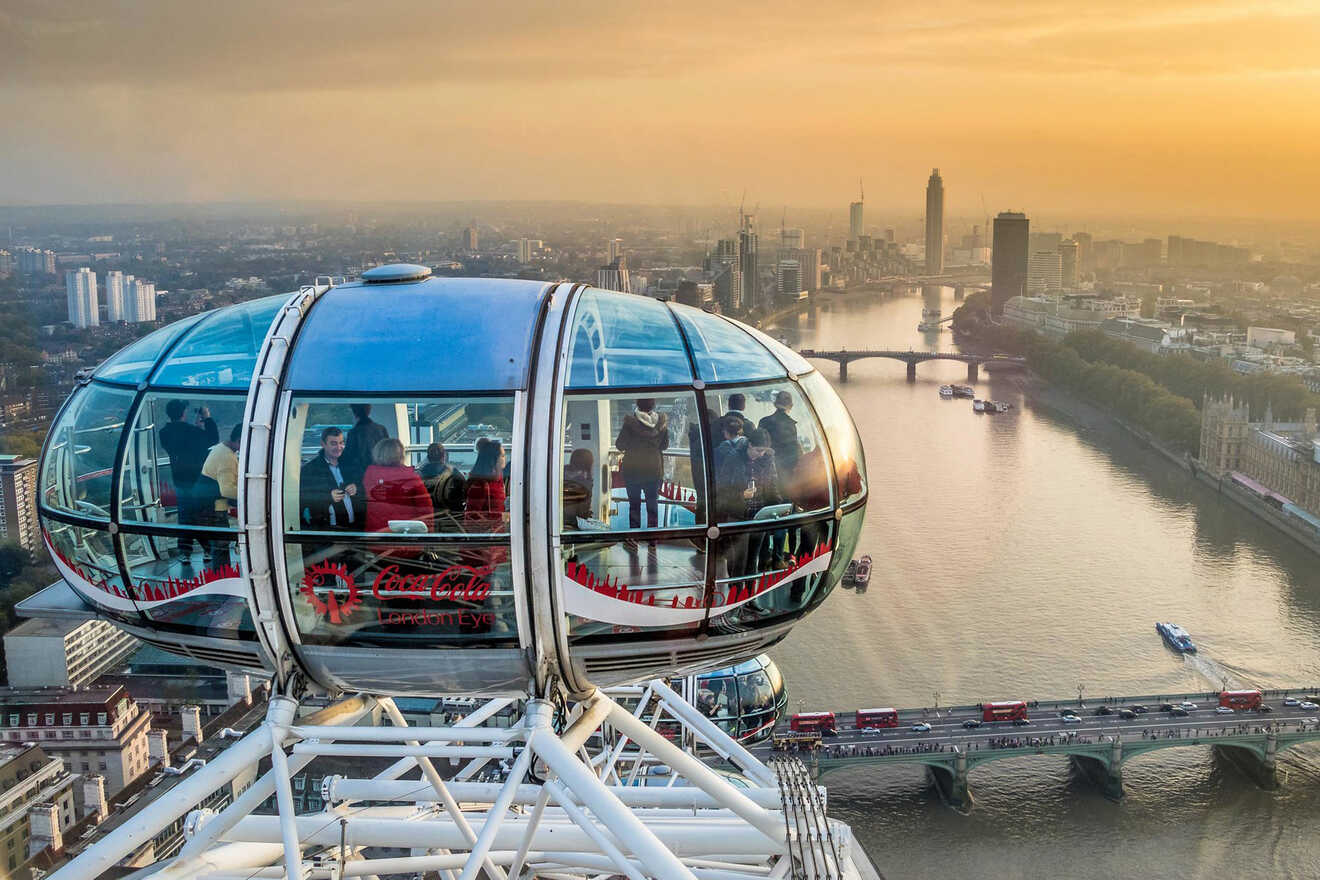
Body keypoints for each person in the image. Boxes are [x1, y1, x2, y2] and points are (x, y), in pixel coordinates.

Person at [159, 399, 218, 563]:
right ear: (184, 412)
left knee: (185, 516)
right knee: (200, 515)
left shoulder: (164, 433)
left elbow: (182, 439)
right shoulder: (193, 432)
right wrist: (207, 418)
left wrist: (195, 428)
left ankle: (185, 552)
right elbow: (213, 439)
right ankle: (208, 550)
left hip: (179, 480)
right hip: (198, 480)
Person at [615, 399, 669, 530]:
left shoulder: (630, 424)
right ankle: (652, 540)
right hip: (653, 470)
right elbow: (665, 446)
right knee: (652, 505)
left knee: (634, 506)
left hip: (633, 470)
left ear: (637, 405)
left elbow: (620, 445)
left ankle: (634, 537)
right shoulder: (661, 423)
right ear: (653, 406)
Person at [363, 438, 433, 533]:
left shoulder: (369, 474)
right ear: (400, 455)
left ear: (378, 453)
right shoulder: (410, 477)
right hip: (404, 537)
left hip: (376, 536)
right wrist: (429, 534)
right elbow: (426, 509)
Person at [198, 424, 241, 568]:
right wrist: (248, 494)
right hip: (216, 508)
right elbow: (226, 490)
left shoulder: (221, 448)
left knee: (219, 546)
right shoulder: (227, 457)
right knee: (221, 546)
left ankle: (222, 577)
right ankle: (223, 578)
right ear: (240, 439)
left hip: (207, 503)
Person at [300, 427, 358, 531]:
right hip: (328, 531)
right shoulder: (309, 470)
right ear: (323, 444)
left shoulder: (351, 464)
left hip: (354, 528)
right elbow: (303, 500)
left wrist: (356, 487)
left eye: (341, 443)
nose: (339, 447)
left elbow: (364, 487)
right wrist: (327, 497)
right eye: (333, 443)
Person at [758, 391, 802, 494]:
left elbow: (758, 445)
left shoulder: (764, 421)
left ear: (775, 404)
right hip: (786, 471)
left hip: (766, 469)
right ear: (791, 405)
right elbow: (793, 451)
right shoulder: (790, 424)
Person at [465, 438, 508, 534]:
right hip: (489, 539)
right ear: (493, 459)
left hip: (498, 533)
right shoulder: (481, 485)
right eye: (502, 455)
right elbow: (471, 519)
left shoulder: (498, 479)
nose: (505, 458)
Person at [419, 443, 466, 528]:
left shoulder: (418, 475)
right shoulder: (454, 473)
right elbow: (464, 494)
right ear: (444, 456)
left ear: (428, 457)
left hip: (426, 520)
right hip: (451, 519)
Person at [341, 404, 390, 487]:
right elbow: (389, 453)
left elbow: (348, 458)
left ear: (354, 412)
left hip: (361, 479)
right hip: (381, 476)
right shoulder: (381, 429)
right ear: (369, 410)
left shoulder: (354, 432)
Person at [562, 448, 594, 530]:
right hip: (571, 522)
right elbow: (582, 510)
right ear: (588, 464)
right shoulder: (584, 482)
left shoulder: (562, 472)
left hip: (559, 518)